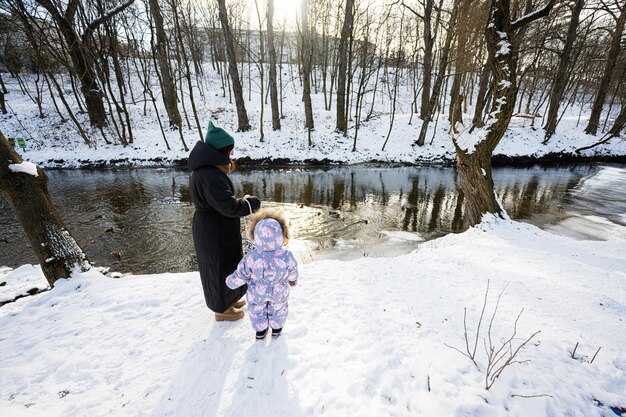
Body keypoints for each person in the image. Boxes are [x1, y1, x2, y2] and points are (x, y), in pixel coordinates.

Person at [188, 121, 261, 321]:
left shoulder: (207, 171)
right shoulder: (210, 175)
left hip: (217, 227)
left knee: (229, 265)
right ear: (220, 151)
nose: (231, 155)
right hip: (214, 230)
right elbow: (228, 206)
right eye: (229, 151)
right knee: (218, 268)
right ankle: (222, 309)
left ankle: (229, 299)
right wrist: (250, 203)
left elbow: (222, 204)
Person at [226, 209, 299, 339]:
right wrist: (292, 280)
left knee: (257, 310)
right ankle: (277, 328)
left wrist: (231, 282)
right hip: (279, 292)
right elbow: (293, 270)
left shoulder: (251, 258)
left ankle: (261, 331)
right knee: (278, 308)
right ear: (281, 235)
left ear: (255, 236)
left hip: (256, 293)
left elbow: (241, 274)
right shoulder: (286, 256)